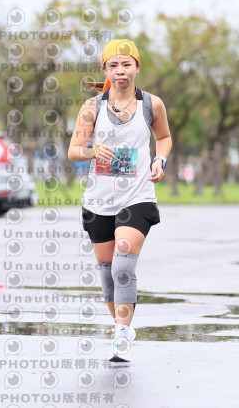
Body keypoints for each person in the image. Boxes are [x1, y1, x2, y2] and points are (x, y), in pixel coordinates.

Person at [67, 39, 172, 362]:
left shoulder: (151, 104)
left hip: (138, 196)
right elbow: (73, 151)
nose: (120, 71)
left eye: (126, 64)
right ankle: (120, 324)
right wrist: (94, 151)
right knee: (107, 271)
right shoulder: (92, 107)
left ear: (137, 67)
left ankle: (122, 335)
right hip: (98, 200)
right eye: (113, 65)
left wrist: (160, 160)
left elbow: (163, 138)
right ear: (105, 70)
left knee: (123, 265)